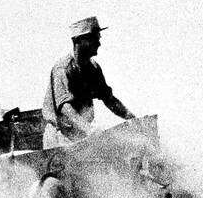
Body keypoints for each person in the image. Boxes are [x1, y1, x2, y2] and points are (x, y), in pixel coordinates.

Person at [41, 16, 135, 147]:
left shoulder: (93, 68)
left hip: (82, 136)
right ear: (79, 40)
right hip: (60, 139)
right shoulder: (63, 69)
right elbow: (66, 109)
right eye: (94, 39)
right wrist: (89, 130)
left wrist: (132, 119)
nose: (99, 43)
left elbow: (109, 99)